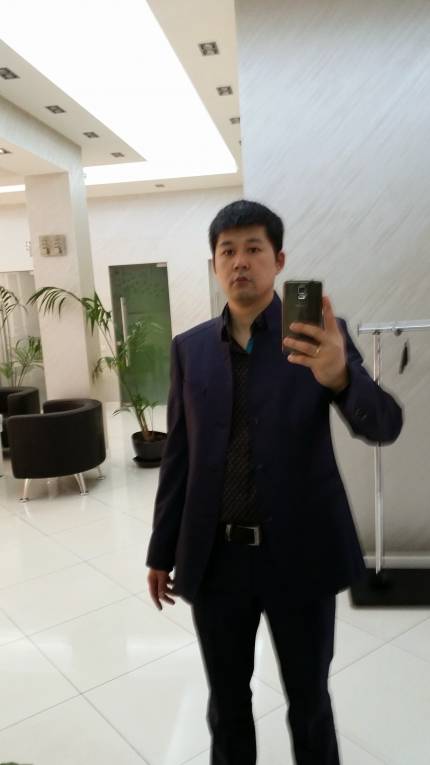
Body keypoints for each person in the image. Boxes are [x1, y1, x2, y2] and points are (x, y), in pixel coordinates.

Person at [146, 199, 403, 765]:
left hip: (300, 555)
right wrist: (161, 551)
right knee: (227, 705)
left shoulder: (319, 337)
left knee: (309, 703)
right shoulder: (190, 349)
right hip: (216, 561)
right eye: (227, 251)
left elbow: (384, 425)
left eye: (254, 249)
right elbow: (179, 458)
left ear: (279, 260)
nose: (240, 261)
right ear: (215, 264)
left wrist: (341, 377)